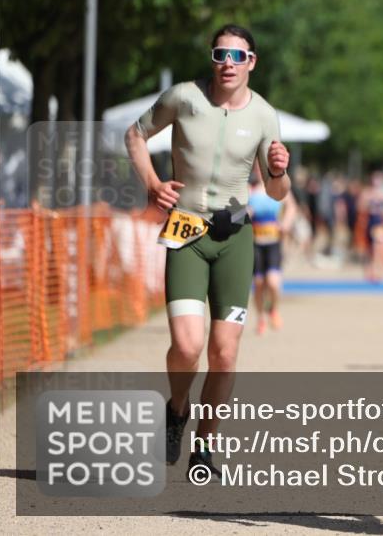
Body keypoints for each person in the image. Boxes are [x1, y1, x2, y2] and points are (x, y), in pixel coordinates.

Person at [125, 24, 290, 482]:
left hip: (235, 238)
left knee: (224, 354)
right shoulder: (183, 97)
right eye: (221, 54)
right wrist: (154, 185)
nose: (228, 64)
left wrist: (279, 172)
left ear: (252, 62)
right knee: (187, 346)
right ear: (212, 58)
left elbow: (277, 192)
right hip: (186, 232)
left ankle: (205, 445)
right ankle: (176, 408)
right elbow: (135, 136)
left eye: (238, 56)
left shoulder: (264, 116)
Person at [248, 165, 299, 335]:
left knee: (273, 282)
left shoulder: (277, 187)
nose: (259, 170)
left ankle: (273, 310)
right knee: (259, 283)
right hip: (255, 242)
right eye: (256, 167)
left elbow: (292, 207)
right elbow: (237, 210)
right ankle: (261, 317)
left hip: (274, 242)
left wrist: (286, 224)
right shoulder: (250, 188)